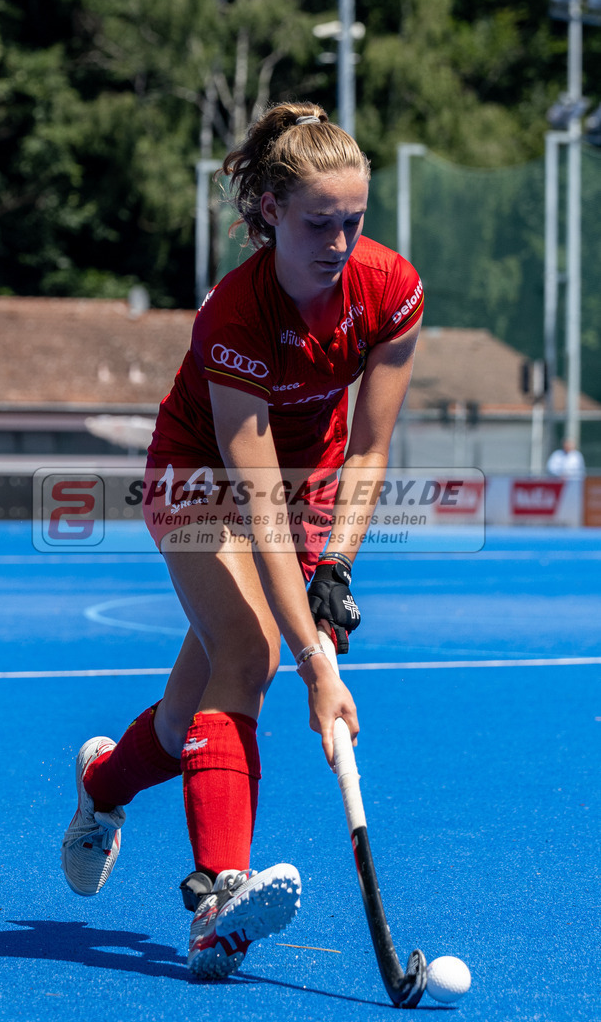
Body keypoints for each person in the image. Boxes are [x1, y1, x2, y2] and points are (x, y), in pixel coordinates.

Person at [61, 102, 424, 980]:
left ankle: (103, 785)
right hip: (198, 476)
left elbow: (370, 448)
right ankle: (219, 895)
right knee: (250, 647)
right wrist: (314, 658)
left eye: (354, 221)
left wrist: (335, 564)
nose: (338, 243)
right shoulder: (234, 316)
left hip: (309, 488)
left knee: (199, 710)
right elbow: (252, 494)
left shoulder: (391, 291)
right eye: (317, 223)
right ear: (268, 210)